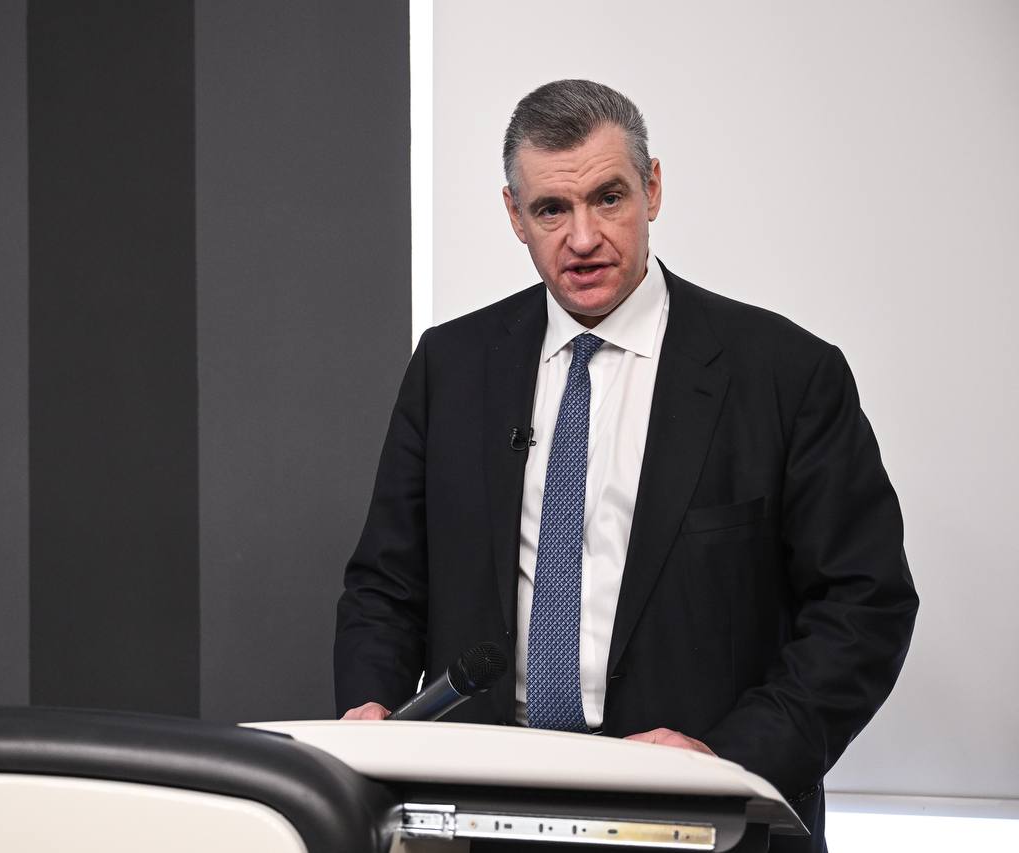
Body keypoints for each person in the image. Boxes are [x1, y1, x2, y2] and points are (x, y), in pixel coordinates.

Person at [333, 80, 917, 852]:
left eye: (608, 198)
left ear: (653, 189)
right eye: (552, 209)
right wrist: (370, 710)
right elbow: (386, 585)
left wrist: (729, 760)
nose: (583, 238)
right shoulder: (452, 365)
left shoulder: (786, 374)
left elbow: (864, 605)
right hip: (480, 814)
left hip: (705, 818)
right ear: (515, 214)